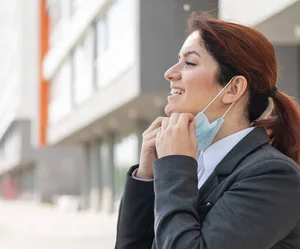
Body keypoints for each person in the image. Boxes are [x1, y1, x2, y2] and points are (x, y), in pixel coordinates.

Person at [114, 12, 300, 249]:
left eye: (189, 63)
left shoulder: (272, 175)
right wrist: (146, 177)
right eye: (178, 60)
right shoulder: (198, 164)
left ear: (233, 89)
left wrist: (175, 164)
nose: (170, 72)